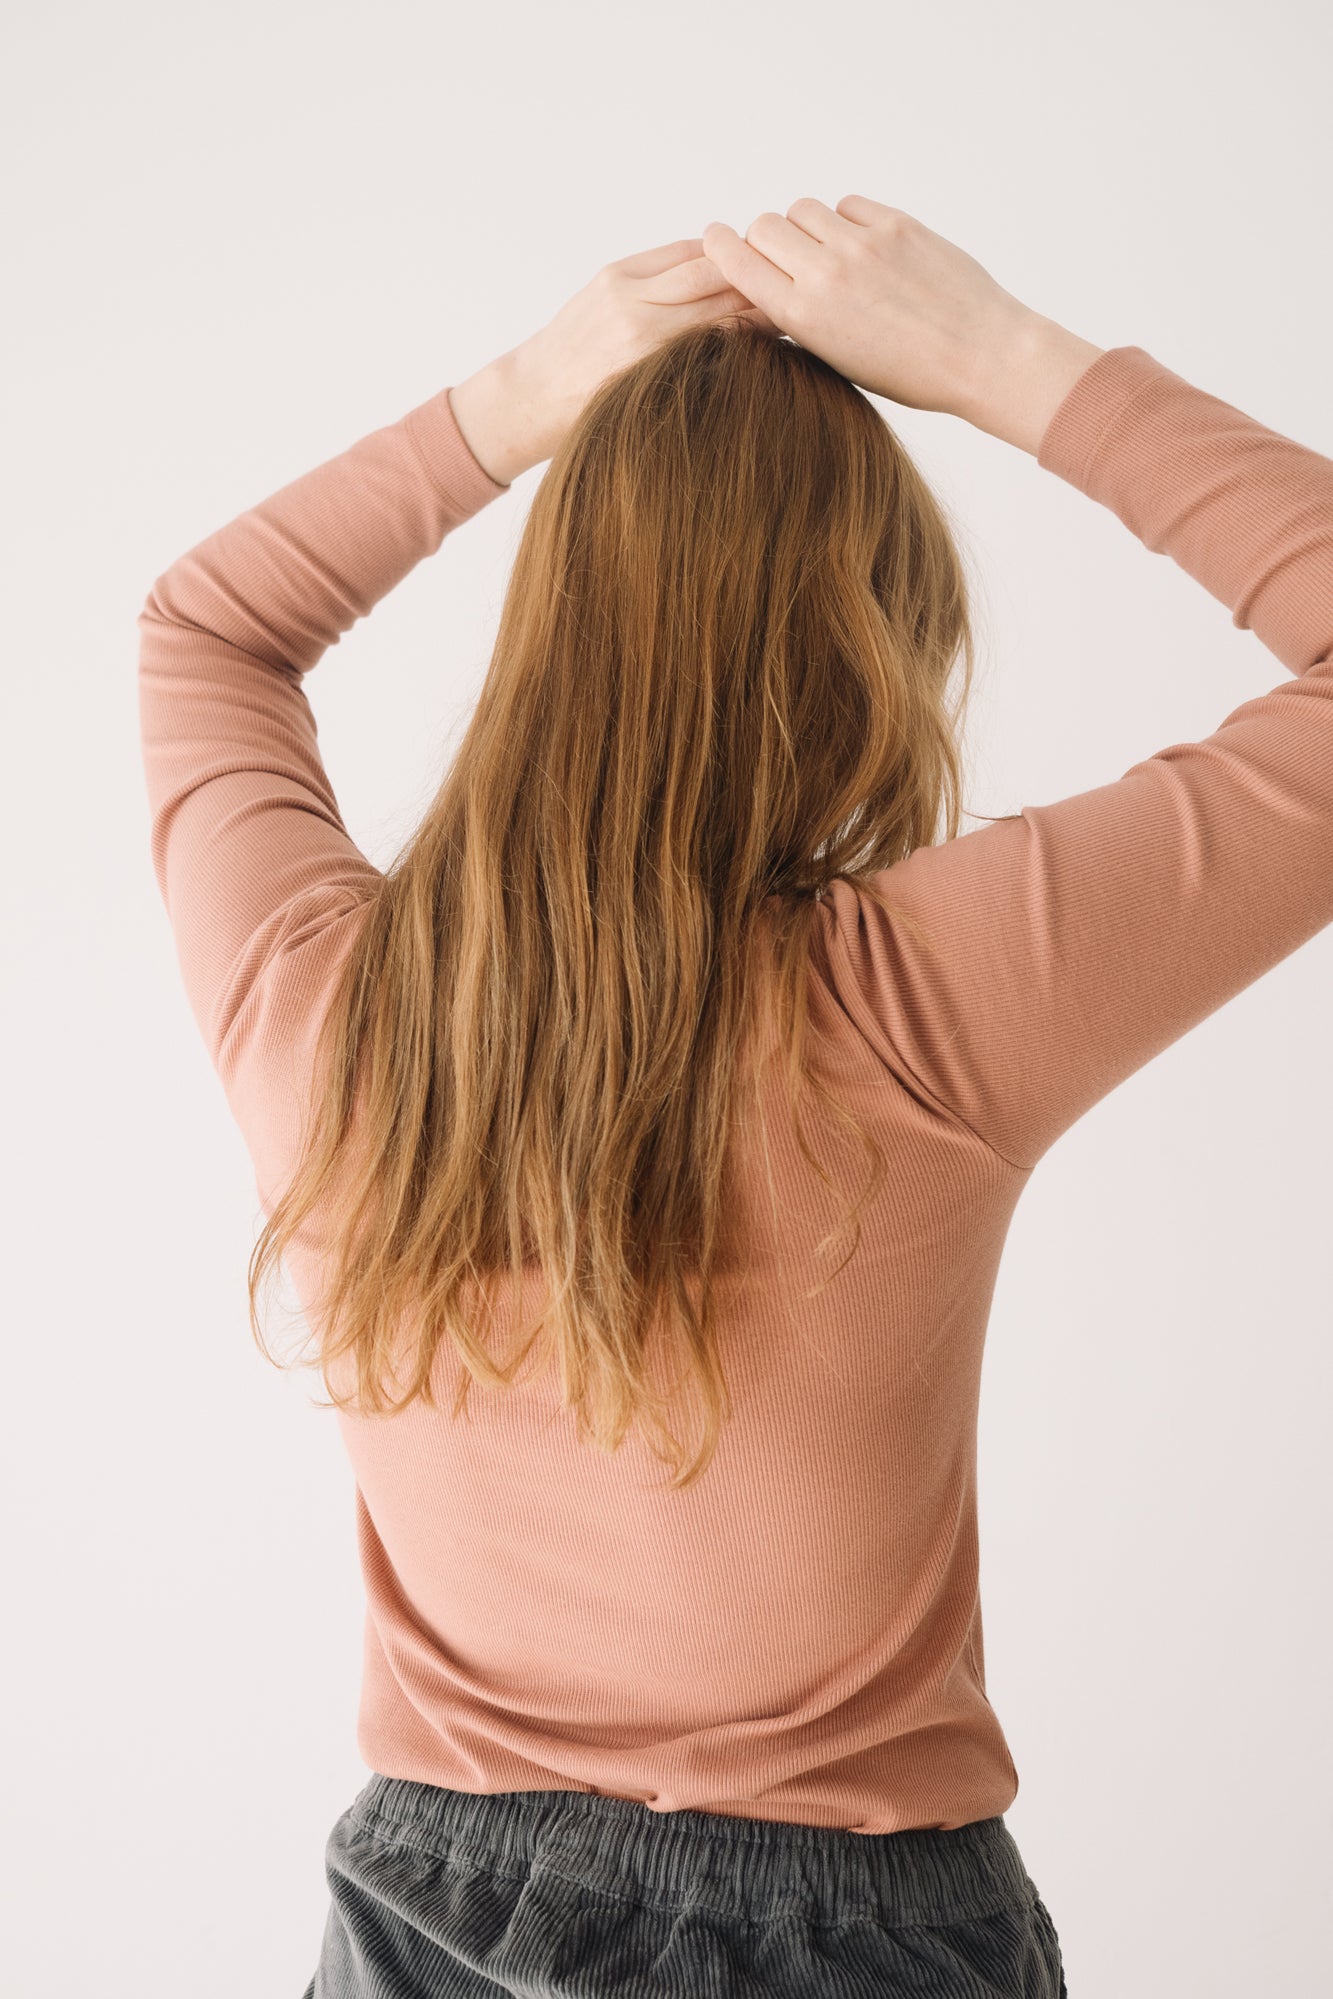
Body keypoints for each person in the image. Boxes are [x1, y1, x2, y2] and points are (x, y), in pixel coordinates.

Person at [137, 195, 1333, 1997]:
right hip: (844, 1937)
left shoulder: (327, 1012)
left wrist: (518, 398)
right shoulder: (921, 997)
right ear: (872, 658)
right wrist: (1003, 360)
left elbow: (204, 635)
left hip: (416, 1929)